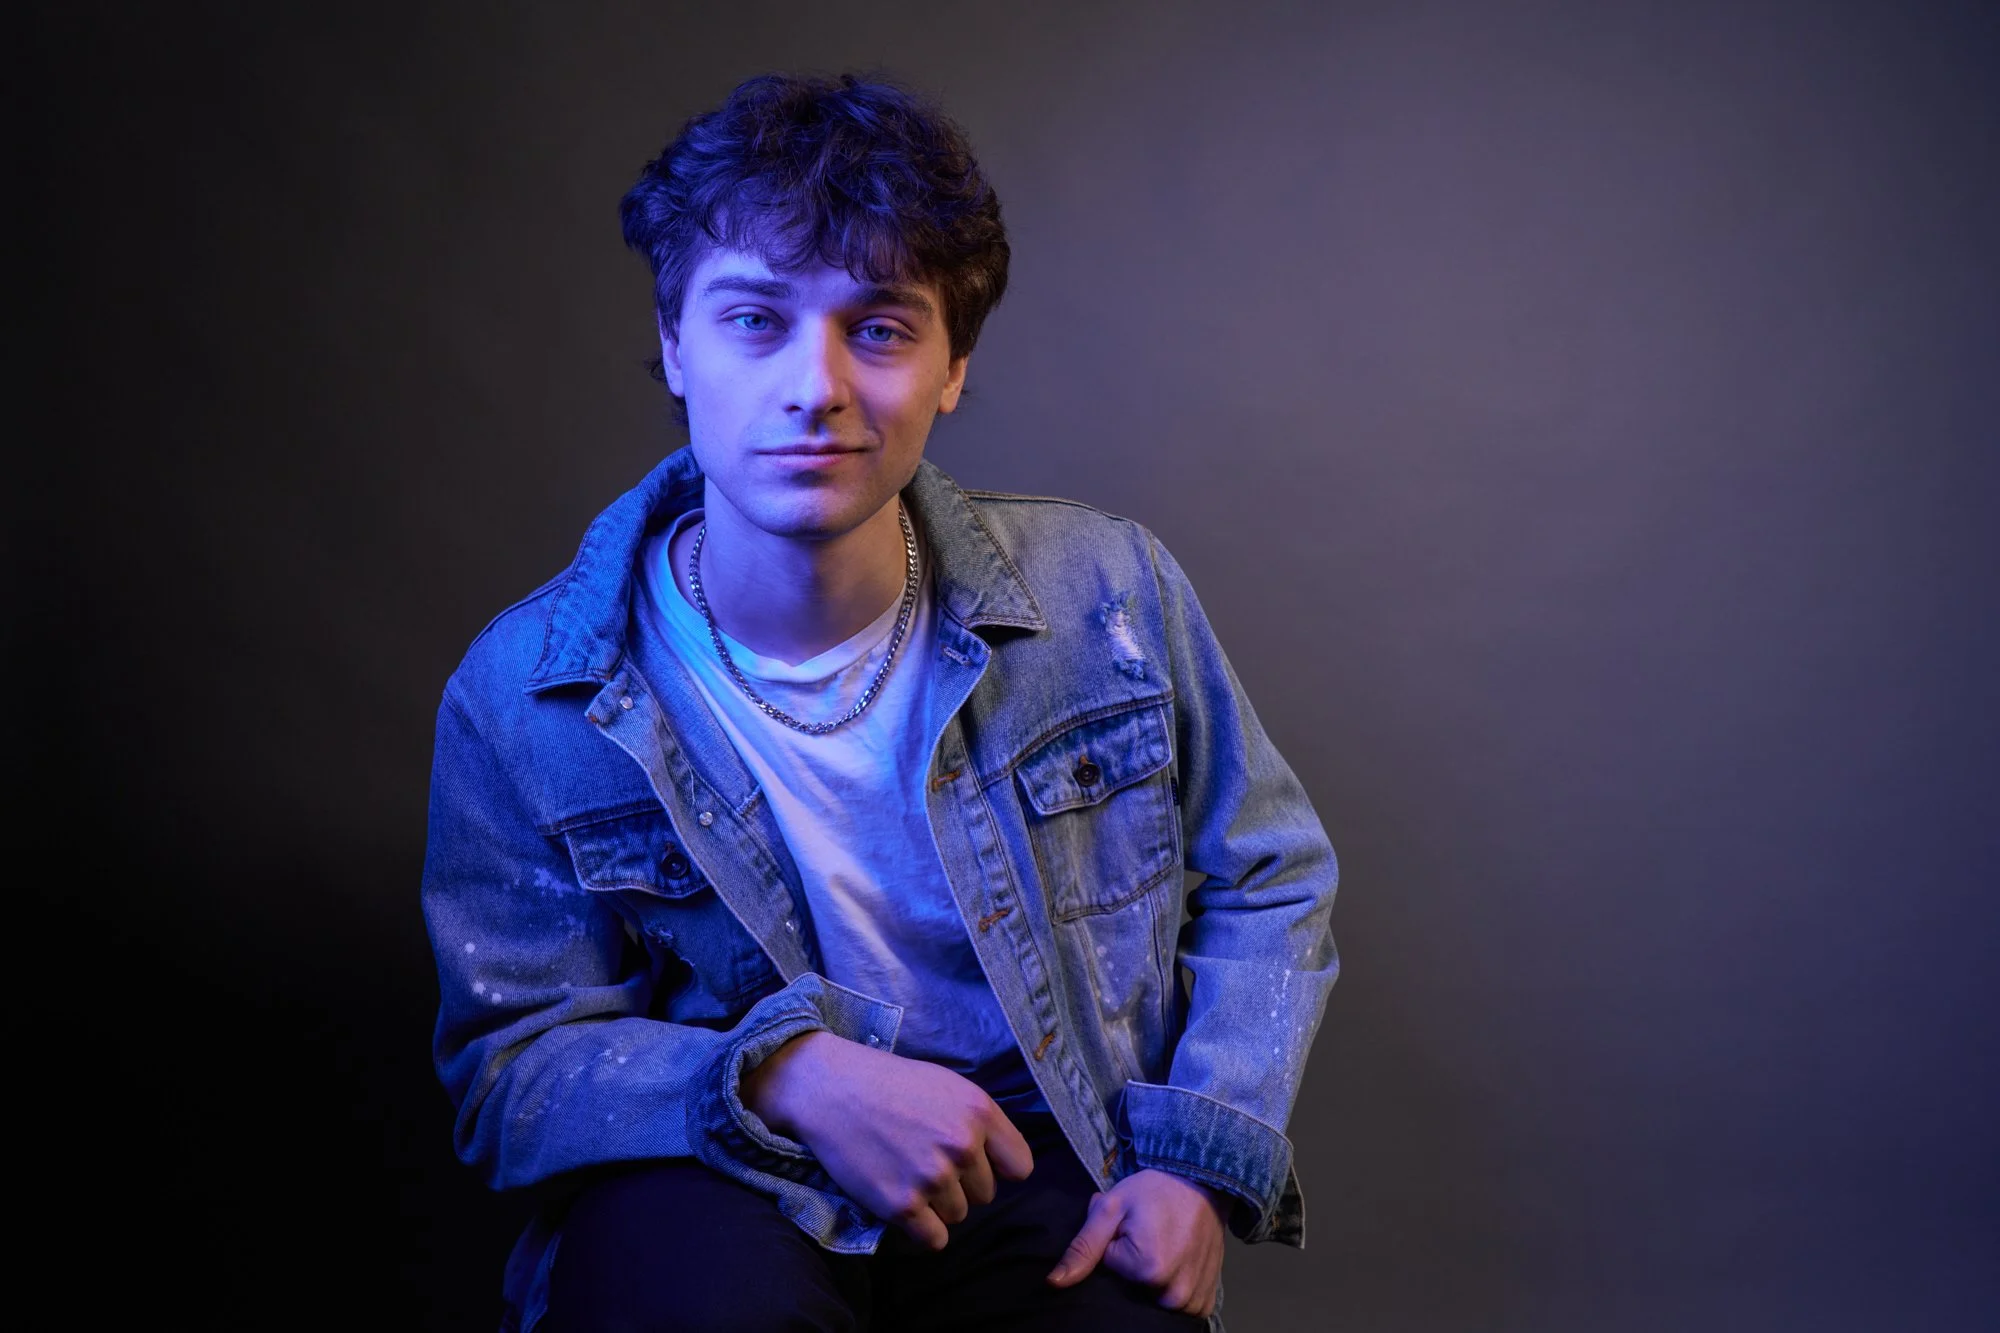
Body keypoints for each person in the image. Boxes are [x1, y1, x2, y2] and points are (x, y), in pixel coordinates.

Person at [421, 71, 1340, 1333]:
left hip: (1033, 1149)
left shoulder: (1104, 591)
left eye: (882, 328)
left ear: (952, 366)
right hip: (728, 1165)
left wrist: (1195, 1159)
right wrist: (788, 1075)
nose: (818, 385)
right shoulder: (527, 692)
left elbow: (1269, 873)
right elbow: (512, 1069)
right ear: (677, 346)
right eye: (755, 321)